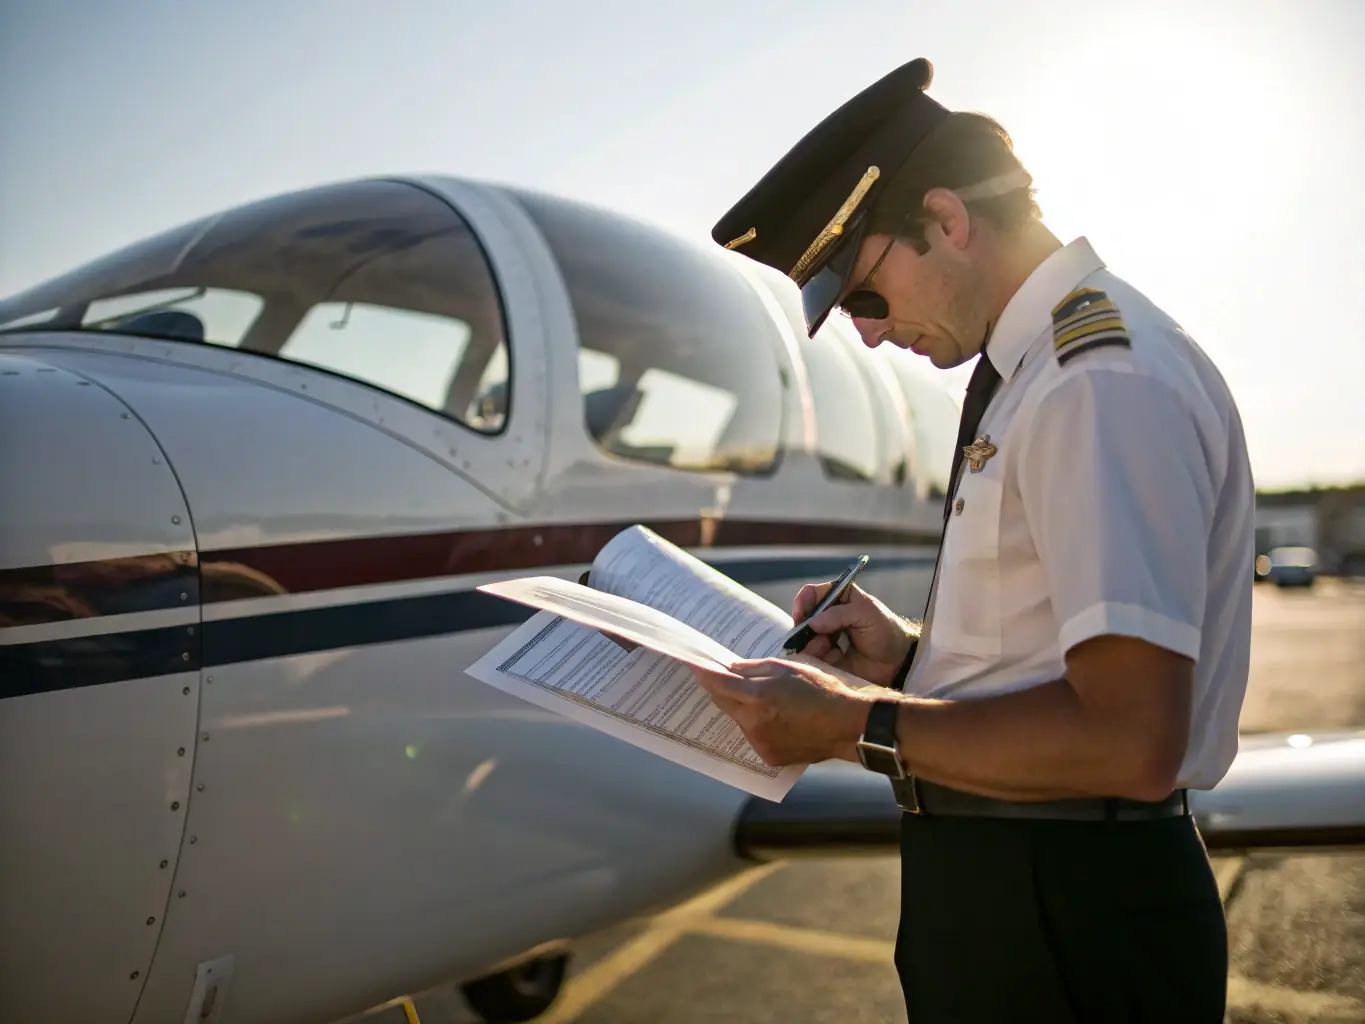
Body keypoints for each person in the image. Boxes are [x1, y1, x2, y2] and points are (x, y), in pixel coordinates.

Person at [691, 57, 1254, 1023]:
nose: (867, 337)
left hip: (1067, 910)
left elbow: (1127, 737)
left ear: (947, 221)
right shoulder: (1043, 371)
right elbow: (1049, 657)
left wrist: (845, 721)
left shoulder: (1092, 381)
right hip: (1031, 889)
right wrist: (909, 659)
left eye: (862, 296)